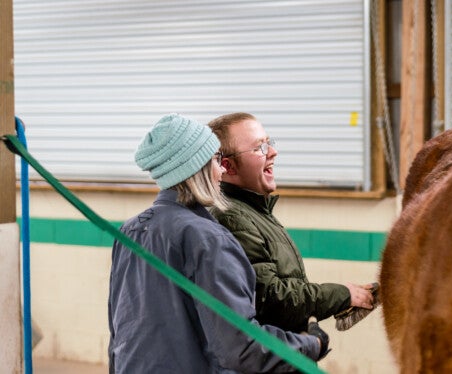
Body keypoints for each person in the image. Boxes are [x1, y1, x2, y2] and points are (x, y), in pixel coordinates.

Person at [108, 113, 329, 373]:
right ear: (197, 167)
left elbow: (119, 332)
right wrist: (311, 344)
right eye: (215, 159)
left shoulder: (129, 231)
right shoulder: (209, 238)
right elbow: (241, 349)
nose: (222, 170)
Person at [208, 112, 375, 332]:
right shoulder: (233, 219)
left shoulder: (256, 211)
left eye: (269, 143)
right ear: (228, 167)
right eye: (259, 148)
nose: (273, 152)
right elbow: (271, 300)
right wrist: (342, 295)